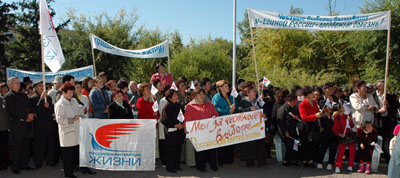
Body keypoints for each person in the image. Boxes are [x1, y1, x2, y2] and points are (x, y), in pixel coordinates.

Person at [55, 83, 95, 178]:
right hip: (67, 133)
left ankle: (72, 171)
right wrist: (72, 120)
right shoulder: (60, 104)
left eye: (72, 92)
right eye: (69, 92)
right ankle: (68, 174)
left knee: (73, 154)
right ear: (63, 93)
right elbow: (59, 119)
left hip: (76, 131)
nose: (71, 94)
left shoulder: (73, 100)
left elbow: (78, 110)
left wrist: (83, 111)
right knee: (67, 155)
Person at [4, 77, 35, 174]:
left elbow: (29, 106)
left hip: (26, 124)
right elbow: (12, 111)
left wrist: (31, 114)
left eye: (18, 82)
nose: (18, 84)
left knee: (26, 145)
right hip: (16, 126)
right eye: (15, 83)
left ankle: (24, 164)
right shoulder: (8, 96)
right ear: (10, 85)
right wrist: (26, 116)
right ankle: (15, 166)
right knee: (16, 147)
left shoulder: (23, 95)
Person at [185, 89, 219, 172]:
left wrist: (214, 116)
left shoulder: (210, 105)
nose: (202, 96)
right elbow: (187, 119)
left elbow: (216, 114)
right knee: (200, 150)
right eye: (199, 94)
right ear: (195, 96)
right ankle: (201, 166)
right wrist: (186, 128)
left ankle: (213, 165)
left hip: (209, 131)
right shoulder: (190, 106)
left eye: (203, 94)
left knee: (212, 149)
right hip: (198, 132)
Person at [237, 85, 267, 167]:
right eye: (253, 91)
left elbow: (262, 110)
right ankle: (250, 161)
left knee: (260, 144)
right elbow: (238, 112)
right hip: (248, 127)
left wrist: (263, 115)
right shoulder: (243, 102)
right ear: (248, 93)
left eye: (255, 91)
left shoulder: (257, 102)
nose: (255, 93)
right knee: (249, 145)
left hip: (257, 126)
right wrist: (249, 109)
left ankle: (261, 161)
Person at [29, 81, 57, 169]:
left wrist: (48, 106)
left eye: (43, 86)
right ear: (35, 88)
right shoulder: (32, 98)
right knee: (39, 145)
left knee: (50, 144)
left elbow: (53, 110)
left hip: (49, 124)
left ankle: (50, 161)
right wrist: (41, 100)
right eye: (39, 86)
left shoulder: (48, 98)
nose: (41, 88)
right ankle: (38, 162)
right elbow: (35, 110)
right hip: (40, 125)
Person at [372, 80, 400, 163]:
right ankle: (377, 158)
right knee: (377, 139)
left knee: (387, 139)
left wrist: (388, 105)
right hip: (377, 120)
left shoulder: (390, 96)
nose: (385, 87)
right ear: (378, 87)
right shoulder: (372, 96)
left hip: (387, 121)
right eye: (383, 85)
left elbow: (396, 108)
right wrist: (379, 110)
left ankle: (388, 158)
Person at [212, 80, 237, 167]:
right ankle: (221, 161)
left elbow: (235, 105)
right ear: (220, 88)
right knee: (222, 142)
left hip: (231, 122)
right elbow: (215, 109)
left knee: (231, 141)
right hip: (221, 122)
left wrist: (234, 109)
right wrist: (227, 109)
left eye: (228, 86)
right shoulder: (216, 97)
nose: (228, 88)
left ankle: (230, 160)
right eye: (225, 86)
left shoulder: (231, 96)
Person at [160, 89, 185, 173]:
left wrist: (182, 124)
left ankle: (176, 165)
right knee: (170, 150)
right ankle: (169, 167)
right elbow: (163, 120)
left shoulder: (179, 105)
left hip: (179, 131)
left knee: (178, 149)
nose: (176, 96)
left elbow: (183, 115)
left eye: (176, 95)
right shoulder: (167, 107)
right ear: (170, 97)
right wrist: (174, 125)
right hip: (171, 131)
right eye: (174, 95)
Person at [298, 86, 322, 168]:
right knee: (306, 143)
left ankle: (311, 160)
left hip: (314, 125)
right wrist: (315, 115)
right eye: (312, 93)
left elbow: (317, 111)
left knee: (313, 143)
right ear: (307, 95)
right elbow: (304, 117)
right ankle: (305, 160)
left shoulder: (314, 103)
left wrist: (319, 114)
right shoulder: (302, 104)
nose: (313, 95)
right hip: (306, 126)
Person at [276, 93, 301, 167]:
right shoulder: (283, 109)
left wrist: (297, 118)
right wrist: (285, 131)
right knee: (289, 145)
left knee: (295, 144)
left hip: (293, 129)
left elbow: (297, 117)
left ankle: (294, 160)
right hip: (285, 130)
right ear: (293, 100)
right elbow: (280, 122)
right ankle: (286, 160)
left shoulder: (294, 107)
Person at [332, 103, 355, 173]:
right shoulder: (337, 118)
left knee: (352, 151)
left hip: (349, 135)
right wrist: (339, 134)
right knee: (341, 152)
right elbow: (334, 129)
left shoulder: (346, 116)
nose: (343, 107)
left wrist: (350, 120)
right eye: (341, 107)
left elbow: (352, 125)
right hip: (342, 136)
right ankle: (338, 166)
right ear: (339, 109)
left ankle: (350, 165)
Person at [315, 103, 338, 170]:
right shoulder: (321, 116)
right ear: (325, 108)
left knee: (333, 148)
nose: (330, 109)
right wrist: (324, 132)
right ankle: (319, 162)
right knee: (323, 148)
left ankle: (330, 162)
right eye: (329, 107)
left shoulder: (332, 116)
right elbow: (320, 126)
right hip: (324, 136)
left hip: (332, 135)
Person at [0, 82, 9, 170]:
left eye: (6, 88)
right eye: (4, 88)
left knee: (4, 146)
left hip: (5, 127)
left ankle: (5, 162)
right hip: (1, 127)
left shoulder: (4, 99)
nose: (6, 90)